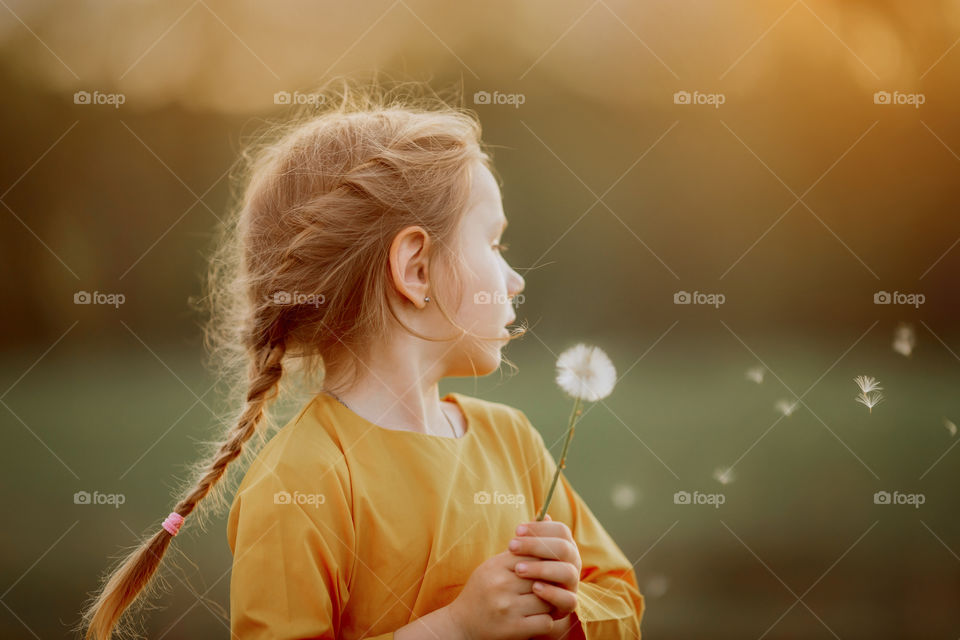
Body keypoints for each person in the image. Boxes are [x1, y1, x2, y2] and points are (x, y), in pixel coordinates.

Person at [81, 78, 644, 640]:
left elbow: (622, 600)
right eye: (493, 243)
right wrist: (456, 630)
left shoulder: (511, 439)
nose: (515, 278)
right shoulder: (298, 481)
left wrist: (565, 609)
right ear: (416, 269)